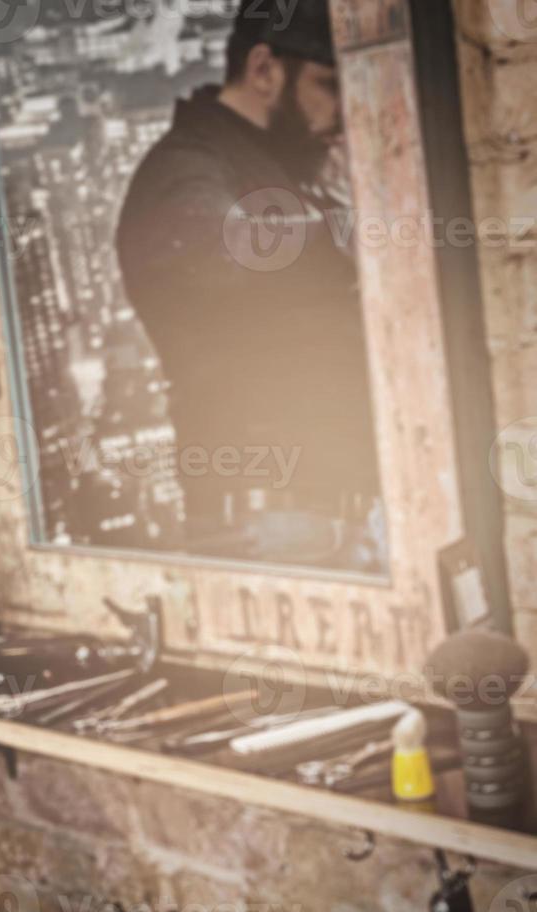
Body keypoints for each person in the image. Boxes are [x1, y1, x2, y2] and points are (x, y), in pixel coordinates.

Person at [114, 0, 384, 570]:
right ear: (263, 70)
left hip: (314, 504)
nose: (340, 110)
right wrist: (355, 236)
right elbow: (218, 246)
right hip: (266, 518)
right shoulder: (182, 166)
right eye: (327, 85)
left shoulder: (273, 164)